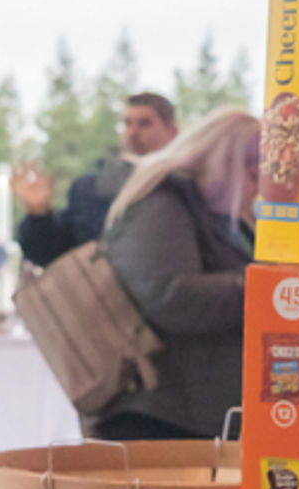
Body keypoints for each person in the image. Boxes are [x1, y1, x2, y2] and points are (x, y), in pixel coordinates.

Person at [90, 106, 259, 442]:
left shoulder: (204, 209)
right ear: (228, 162)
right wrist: (265, 288)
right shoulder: (162, 201)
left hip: (189, 409)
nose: (259, 187)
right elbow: (170, 295)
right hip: (163, 414)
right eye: (254, 175)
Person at [14, 92, 179, 267]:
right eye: (127, 123)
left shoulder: (187, 187)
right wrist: (38, 214)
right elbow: (50, 253)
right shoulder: (89, 191)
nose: (132, 132)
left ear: (172, 132)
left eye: (145, 123)